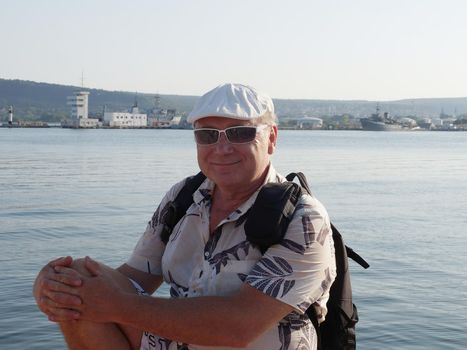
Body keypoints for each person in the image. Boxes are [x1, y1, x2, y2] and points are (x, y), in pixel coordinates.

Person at [33, 83, 336, 350]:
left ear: (271, 137)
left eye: (239, 133)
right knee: (76, 281)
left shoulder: (303, 218)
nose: (222, 147)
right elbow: (134, 278)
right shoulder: (184, 197)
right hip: (177, 343)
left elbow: (240, 327)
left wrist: (114, 306)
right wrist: (53, 285)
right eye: (207, 135)